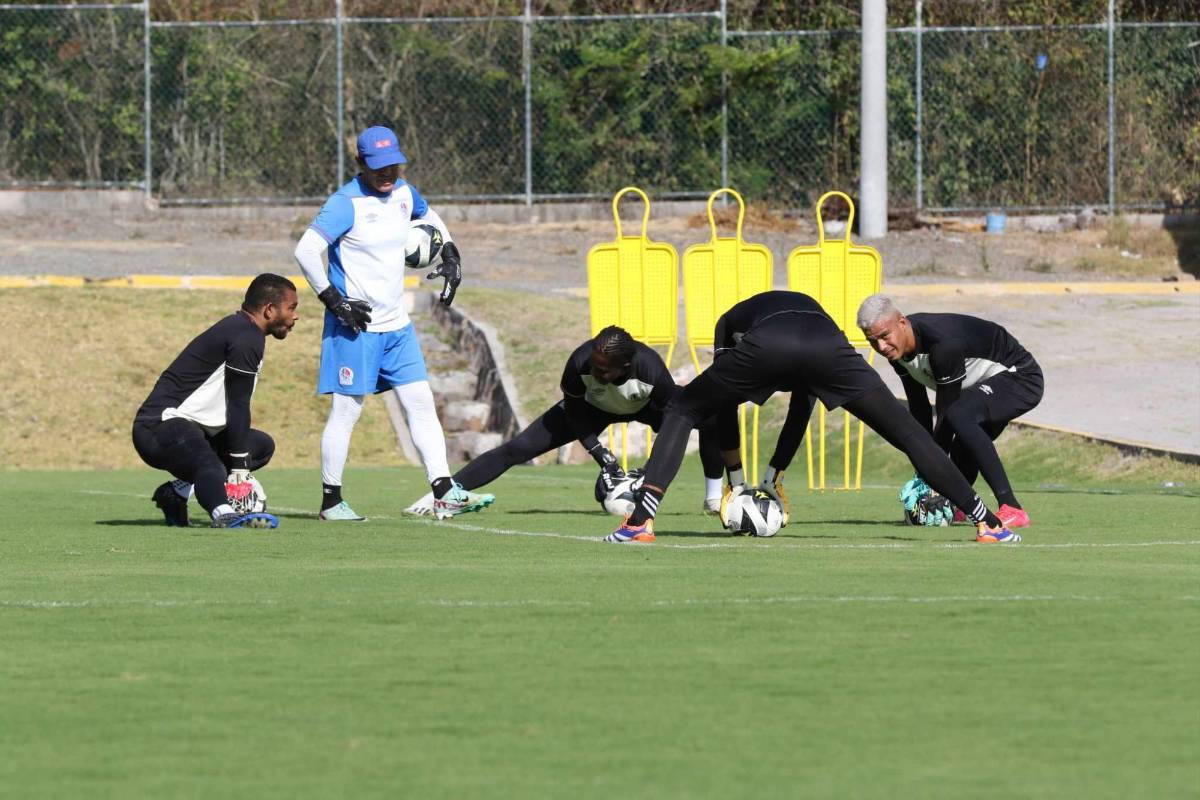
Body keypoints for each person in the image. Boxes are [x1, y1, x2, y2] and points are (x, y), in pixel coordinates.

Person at [607, 290, 1022, 545]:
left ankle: (640, 522)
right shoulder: (810, 312)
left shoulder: (729, 322)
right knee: (911, 433)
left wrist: (737, 482)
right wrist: (772, 473)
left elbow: (720, 406)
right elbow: (803, 401)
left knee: (682, 407)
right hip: (829, 347)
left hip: (770, 342)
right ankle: (988, 523)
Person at [293, 124, 492, 522]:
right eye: (379, 167)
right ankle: (331, 501)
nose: (388, 174)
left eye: (394, 166)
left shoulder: (404, 192)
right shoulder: (344, 203)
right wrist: (333, 300)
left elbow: (429, 214)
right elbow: (306, 249)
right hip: (356, 327)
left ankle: (444, 491)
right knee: (347, 412)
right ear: (360, 163)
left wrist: (450, 252)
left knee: (420, 404)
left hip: (397, 328)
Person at [403, 325, 727, 515]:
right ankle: (443, 496)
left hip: (644, 408)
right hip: (591, 410)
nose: (595, 372)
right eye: (594, 365)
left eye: (604, 370)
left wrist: (647, 472)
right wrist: (603, 456)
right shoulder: (579, 362)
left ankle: (714, 497)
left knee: (712, 419)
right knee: (516, 449)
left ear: (626, 366)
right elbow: (574, 414)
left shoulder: (651, 370)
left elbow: (673, 424)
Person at [856, 294, 1044, 529]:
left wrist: (931, 473)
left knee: (959, 417)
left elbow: (946, 414)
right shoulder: (897, 351)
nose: (881, 347)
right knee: (963, 443)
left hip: (1021, 377)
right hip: (982, 385)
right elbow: (920, 408)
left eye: (884, 336)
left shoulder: (942, 347)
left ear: (902, 323)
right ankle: (958, 507)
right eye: (872, 341)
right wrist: (922, 460)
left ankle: (1011, 507)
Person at [133, 273, 299, 529]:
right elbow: (238, 405)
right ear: (269, 310)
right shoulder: (246, 336)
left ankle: (176, 493)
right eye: (292, 308)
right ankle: (224, 513)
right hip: (160, 425)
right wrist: (240, 471)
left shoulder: (244, 330)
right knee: (209, 462)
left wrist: (240, 464)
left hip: (193, 428)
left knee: (261, 445)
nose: (295, 316)